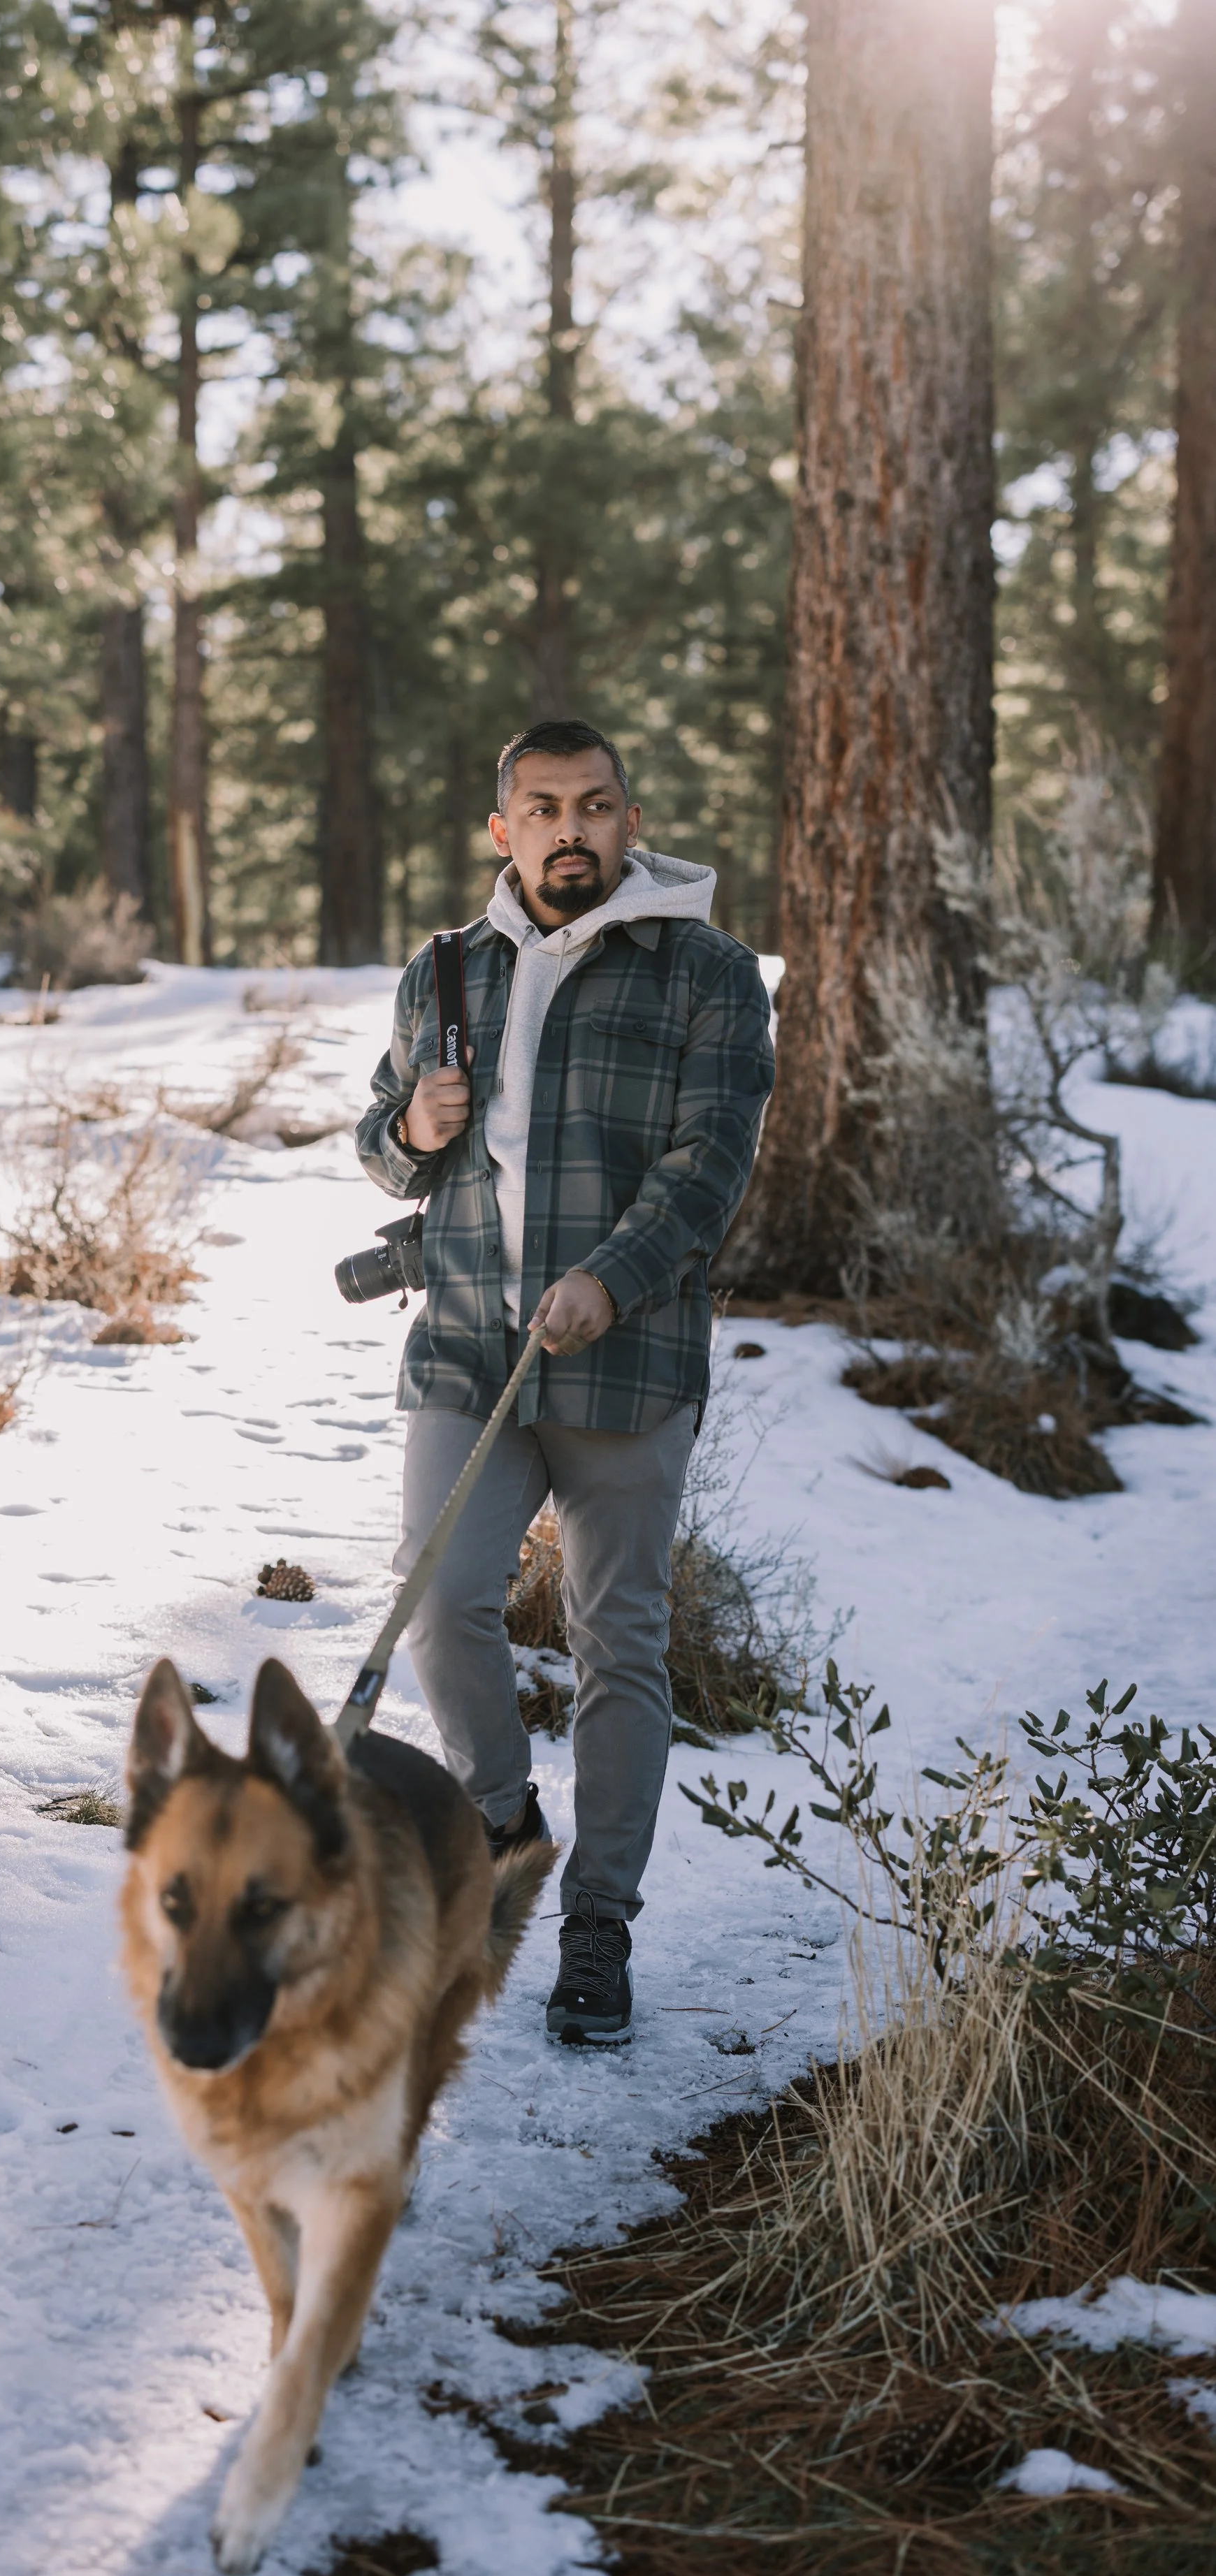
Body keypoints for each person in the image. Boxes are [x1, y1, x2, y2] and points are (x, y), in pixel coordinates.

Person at [354, 718, 776, 2042]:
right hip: (469, 1349)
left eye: (594, 805)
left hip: (630, 1352)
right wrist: (404, 1132)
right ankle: (505, 1833)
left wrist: (615, 1276)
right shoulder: (444, 970)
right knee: (441, 1602)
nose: (570, 829)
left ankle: (598, 1922)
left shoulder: (708, 972)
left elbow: (711, 1163)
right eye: (542, 808)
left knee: (621, 1642)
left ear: (628, 819)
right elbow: (382, 1145)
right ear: (503, 831)